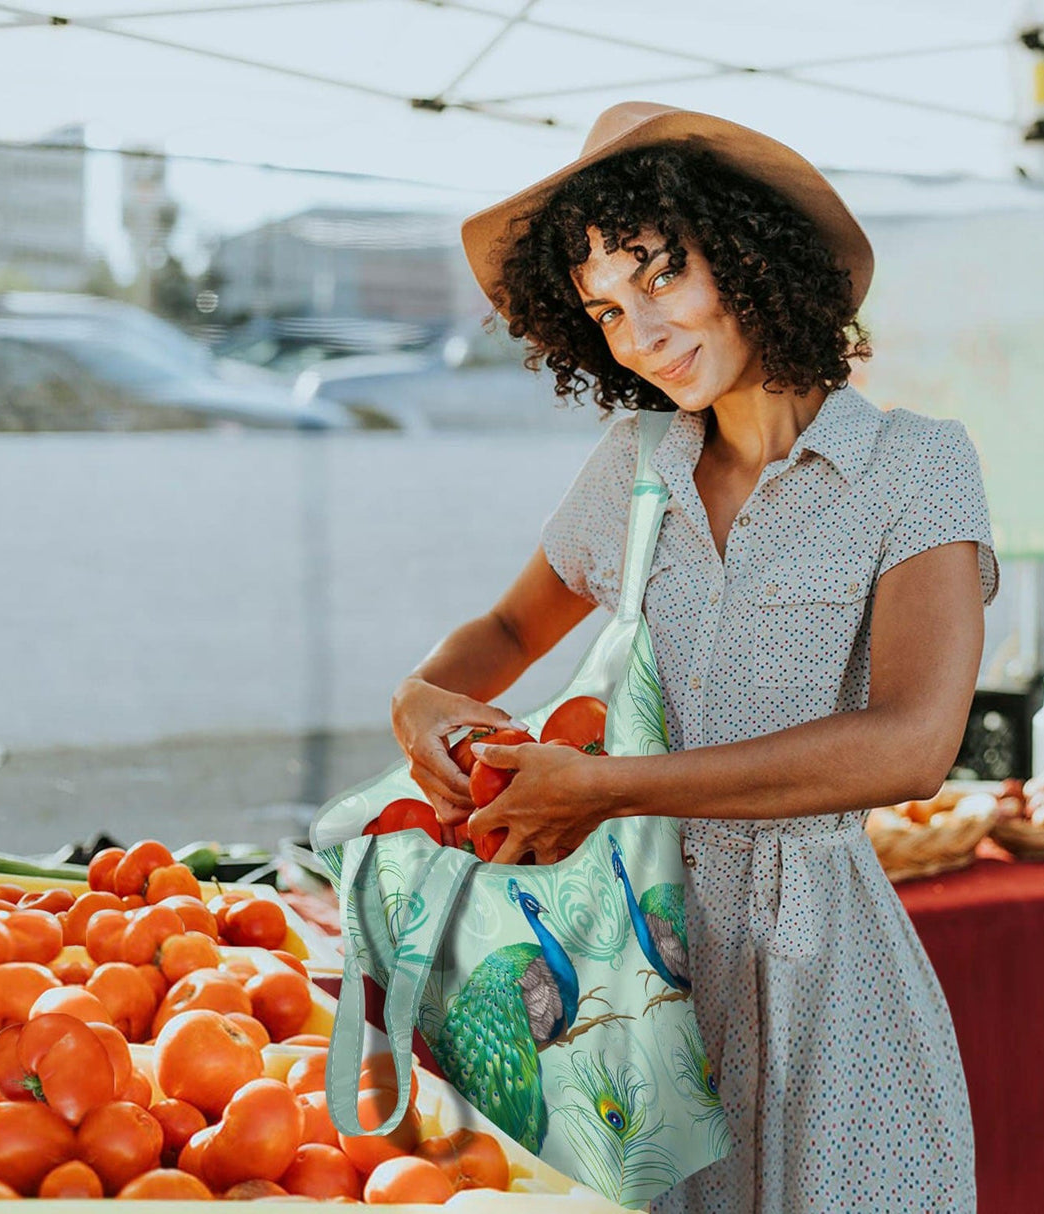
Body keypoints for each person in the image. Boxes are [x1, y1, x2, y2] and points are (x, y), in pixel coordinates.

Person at [390, 101, 998, 1213]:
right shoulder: (635, 462)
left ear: (748, 253)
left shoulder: (912, 467)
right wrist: (424, 695)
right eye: (605, 309)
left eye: (659, 276)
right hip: (638, 974)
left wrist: (609, 789)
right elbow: (508, 632)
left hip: (825, 971)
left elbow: (912, 745)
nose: (636, 333)